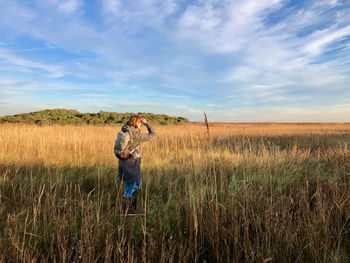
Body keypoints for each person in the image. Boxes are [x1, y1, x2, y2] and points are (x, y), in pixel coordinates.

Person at [116, 115, 156, 214]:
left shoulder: (125, 129)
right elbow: (153, 134)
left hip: (125, 162)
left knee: (136, 184)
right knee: (130, 187)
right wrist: (147, 123)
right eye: (140, 123)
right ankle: (127, 212)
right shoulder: (135, 135)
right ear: (137, 123)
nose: (141, 125)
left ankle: (132, 210)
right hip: (131, 164)